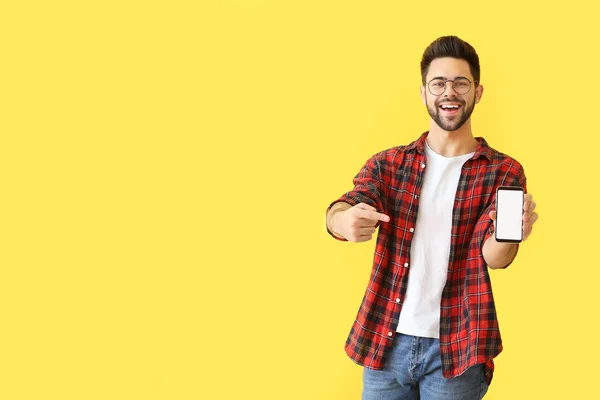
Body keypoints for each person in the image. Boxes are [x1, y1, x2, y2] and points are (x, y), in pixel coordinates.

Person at [325, 36, 539, 400]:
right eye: (438, 83)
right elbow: (346, 205)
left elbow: (496, 258)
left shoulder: (503, 171)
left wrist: (510, 235)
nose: (449, 92)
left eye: (460, 82)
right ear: (424, 93)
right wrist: (342, 221)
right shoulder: (389, 164)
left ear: (478, 91)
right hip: (385, 340)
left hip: (457, 346)